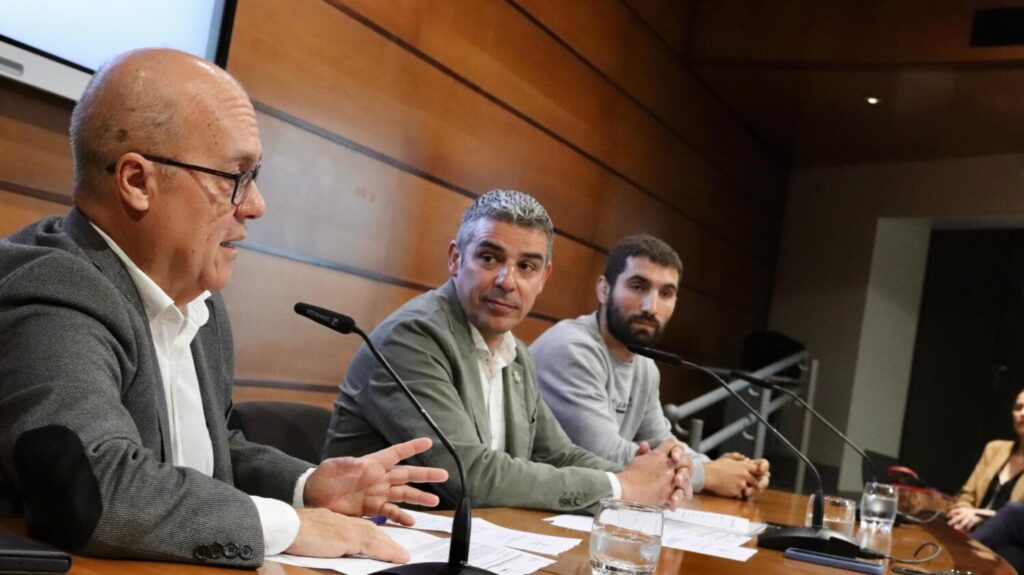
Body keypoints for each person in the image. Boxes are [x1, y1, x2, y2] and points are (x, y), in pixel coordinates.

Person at [0, 48, 448, 568]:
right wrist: (293, 526)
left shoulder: (199, 304)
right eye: (234, 177)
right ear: (138, 182)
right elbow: (92, 486)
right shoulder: (52, 287)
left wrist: (308, 486)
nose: (256, 205)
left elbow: (207, 454)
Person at [323, 190, 693, 512]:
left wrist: (651, 476)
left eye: (526, 266)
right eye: (489, 258)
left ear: (544, 278)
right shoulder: (412, 337)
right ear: (455, 259)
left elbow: (558, 453)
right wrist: (621, 488)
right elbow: (468, 474)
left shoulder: (516, 354)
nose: (507, 281)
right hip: (374, 548)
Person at [530, 234, 770, 499]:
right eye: (637, 286)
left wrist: (733, 471)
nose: (651, 307)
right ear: (603, 289)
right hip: (535, 509)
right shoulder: (571, 348)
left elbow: (661, 442)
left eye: (665, 293)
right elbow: (605, 454)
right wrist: (711, 475)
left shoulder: (644, 365)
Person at [948, 389, 1024, 532]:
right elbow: (967, 494)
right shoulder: (994, 448)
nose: (1022, 413)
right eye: (1018, 407)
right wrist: (963, 514)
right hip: (970, 528)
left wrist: (980, 515)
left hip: (1009, 540)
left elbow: (1018, 515)